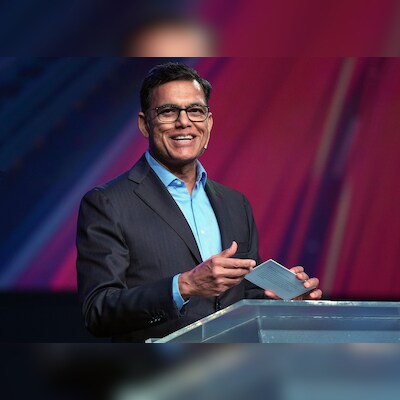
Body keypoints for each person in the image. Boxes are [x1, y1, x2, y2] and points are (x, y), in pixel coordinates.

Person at [76, 62, 322, 342]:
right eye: (168, 111)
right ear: (145, 124)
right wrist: (184, 286)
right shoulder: (107, 203)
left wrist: (283, 301)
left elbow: (246, 296)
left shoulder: (235, 204)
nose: (184, 122)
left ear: (208, 123)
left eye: (195, 110)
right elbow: (98, 311)